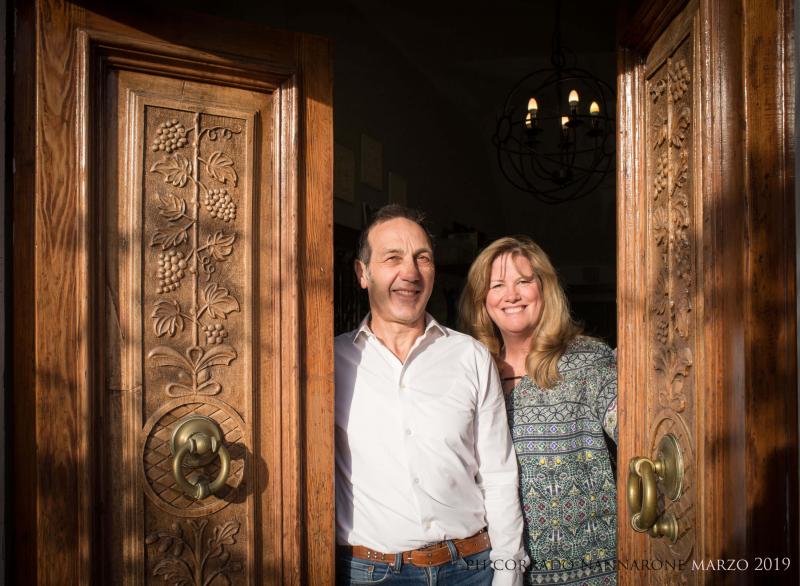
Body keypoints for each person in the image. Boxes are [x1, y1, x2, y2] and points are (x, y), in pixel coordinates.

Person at [335, 205, 528, 585]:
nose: (410, 272)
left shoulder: (470, 356)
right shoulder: (329, 364)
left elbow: (499, 474)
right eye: (393, 258)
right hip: (369, 574)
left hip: (471, 569)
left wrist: (509, 573)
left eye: (422, 258)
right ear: (363, 273)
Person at [459, 236, 617, 586]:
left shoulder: (587, 360)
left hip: (588, 572)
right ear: (482, 300)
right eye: (497, 285)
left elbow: (639, 426)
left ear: (544, 289)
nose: (511, 295)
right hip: (494, 571)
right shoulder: (468, 371)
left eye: (523, 282)